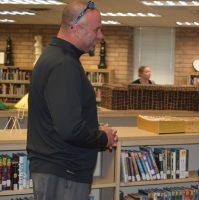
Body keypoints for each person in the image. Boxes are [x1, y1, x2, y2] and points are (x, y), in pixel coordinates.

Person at [26, 1, 118, 200]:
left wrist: (94, 128)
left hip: (59, 172)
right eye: (97, 29)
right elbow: (70, 129)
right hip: (63, 173)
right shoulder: (63, 65)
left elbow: (63, 118)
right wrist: (104, 138)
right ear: (76, 29)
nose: (100, 36)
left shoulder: (59, 58)